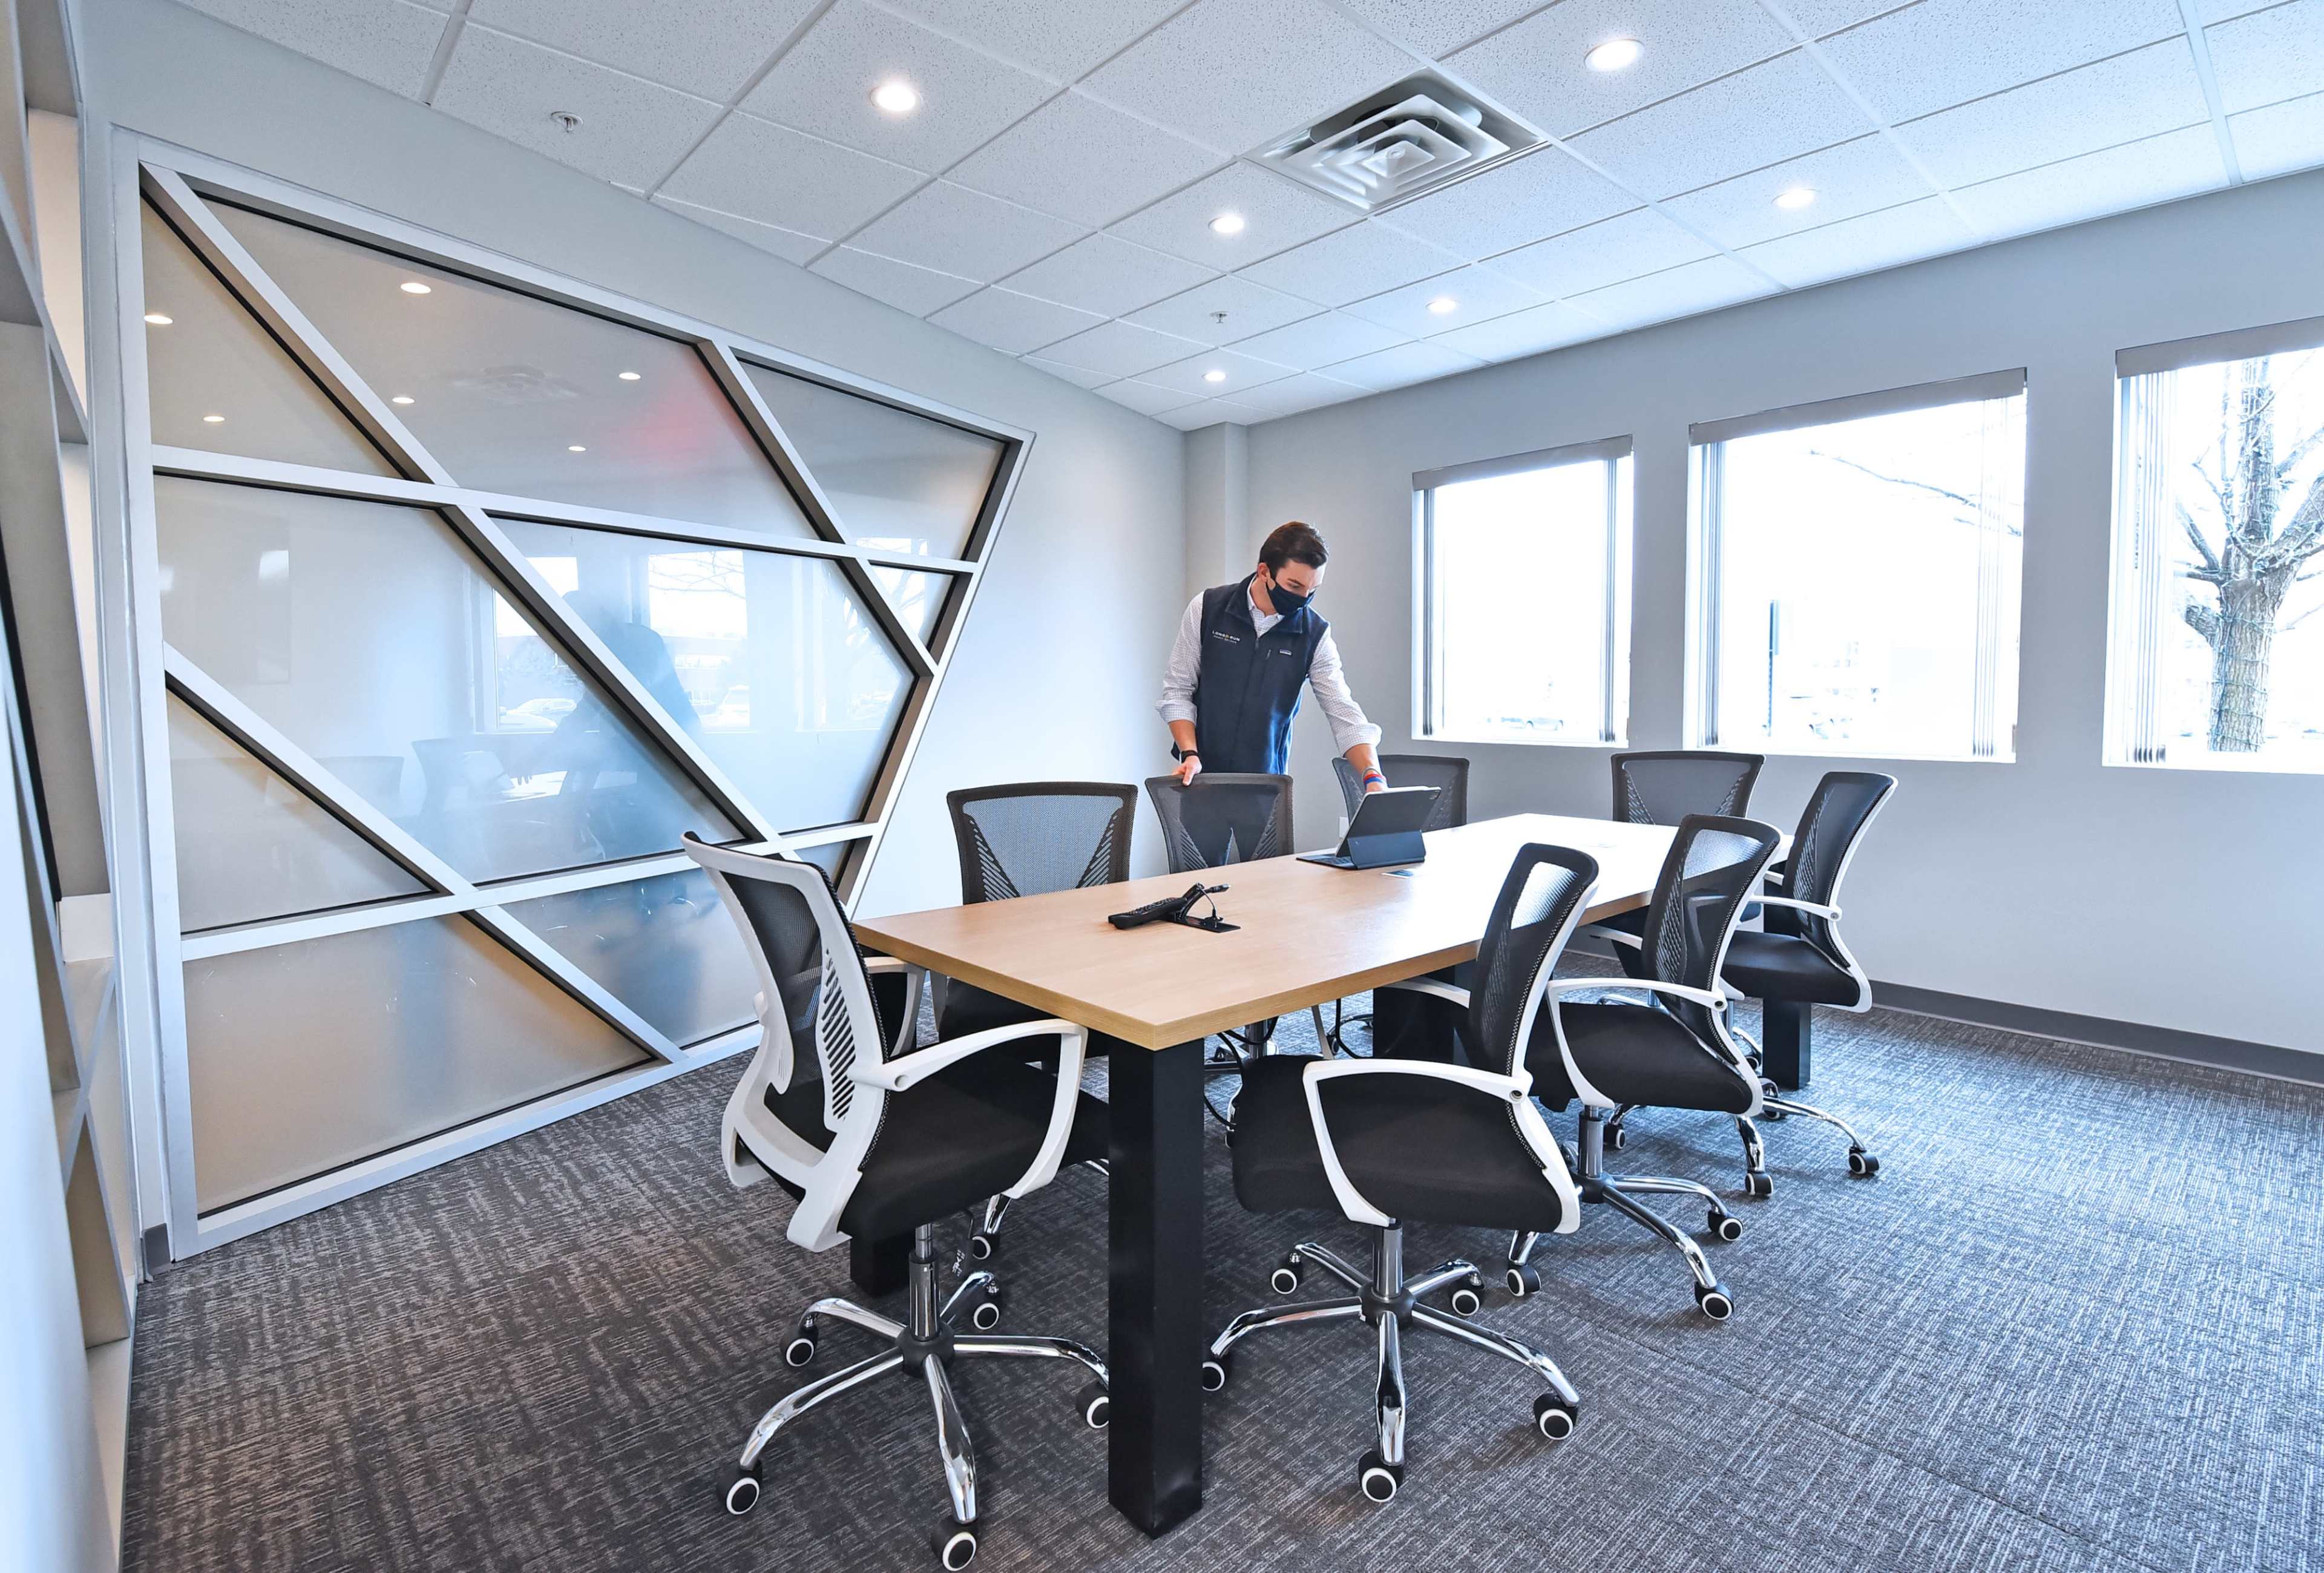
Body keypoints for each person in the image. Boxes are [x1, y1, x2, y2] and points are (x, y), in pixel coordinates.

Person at [1157, 522, 1384, 863]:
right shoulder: (1208, 608)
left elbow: (1344, 714)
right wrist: (1190, 753)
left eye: (1312, 589)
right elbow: (1177, 691)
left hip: (1266, 790)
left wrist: (1373, 776)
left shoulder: (1314, 634)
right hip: (1202, 782)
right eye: (1294, 585)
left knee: (1269, 897)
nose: (1303, 598)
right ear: (1264, 571)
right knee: (1198, 892)